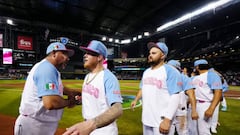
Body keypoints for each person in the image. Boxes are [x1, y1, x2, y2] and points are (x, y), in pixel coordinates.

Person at [14, 42, 81, 135]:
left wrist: (72, 92)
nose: (67, 58)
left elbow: (56, 87)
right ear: (54, 53)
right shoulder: (47, 69)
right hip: (33, 126)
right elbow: (51, 103)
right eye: (64, 54)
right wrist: (70, 101)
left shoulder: (48, 68)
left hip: (38, 124)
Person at [63, 40, 123, 135]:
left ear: (99, 57)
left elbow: (118, 108)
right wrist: (79, 100)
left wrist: (91, 124)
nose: (85, 55)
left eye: (89, 53)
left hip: (104, 130)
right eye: (85, 53)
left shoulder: (108, 77)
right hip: (89, 128)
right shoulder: (88, 76)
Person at [131, 42, 182, 135]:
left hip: (161, 120)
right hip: (147, 119)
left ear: (163, 55)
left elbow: (175, 96)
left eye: (154, 53)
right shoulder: (146, 72)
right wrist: (135, 100)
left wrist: (167, 119)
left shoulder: (171, 71)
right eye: (150, 53)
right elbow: (142, 88)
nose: (150, 55)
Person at [167, 60, 198, 135]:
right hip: (168, 111)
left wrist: (194, 110)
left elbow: (192, 95)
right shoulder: (164, 76)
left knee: (183, 132)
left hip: (180, 111)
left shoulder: (184, 78)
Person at [191, 59, 222, 135]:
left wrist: (211, 109)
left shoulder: (212, 75)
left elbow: (218, 92)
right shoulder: (195, 77)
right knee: (193, 130)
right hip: (194, 105)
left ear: (197, 67)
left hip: (205, 105)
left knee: (203, 131)